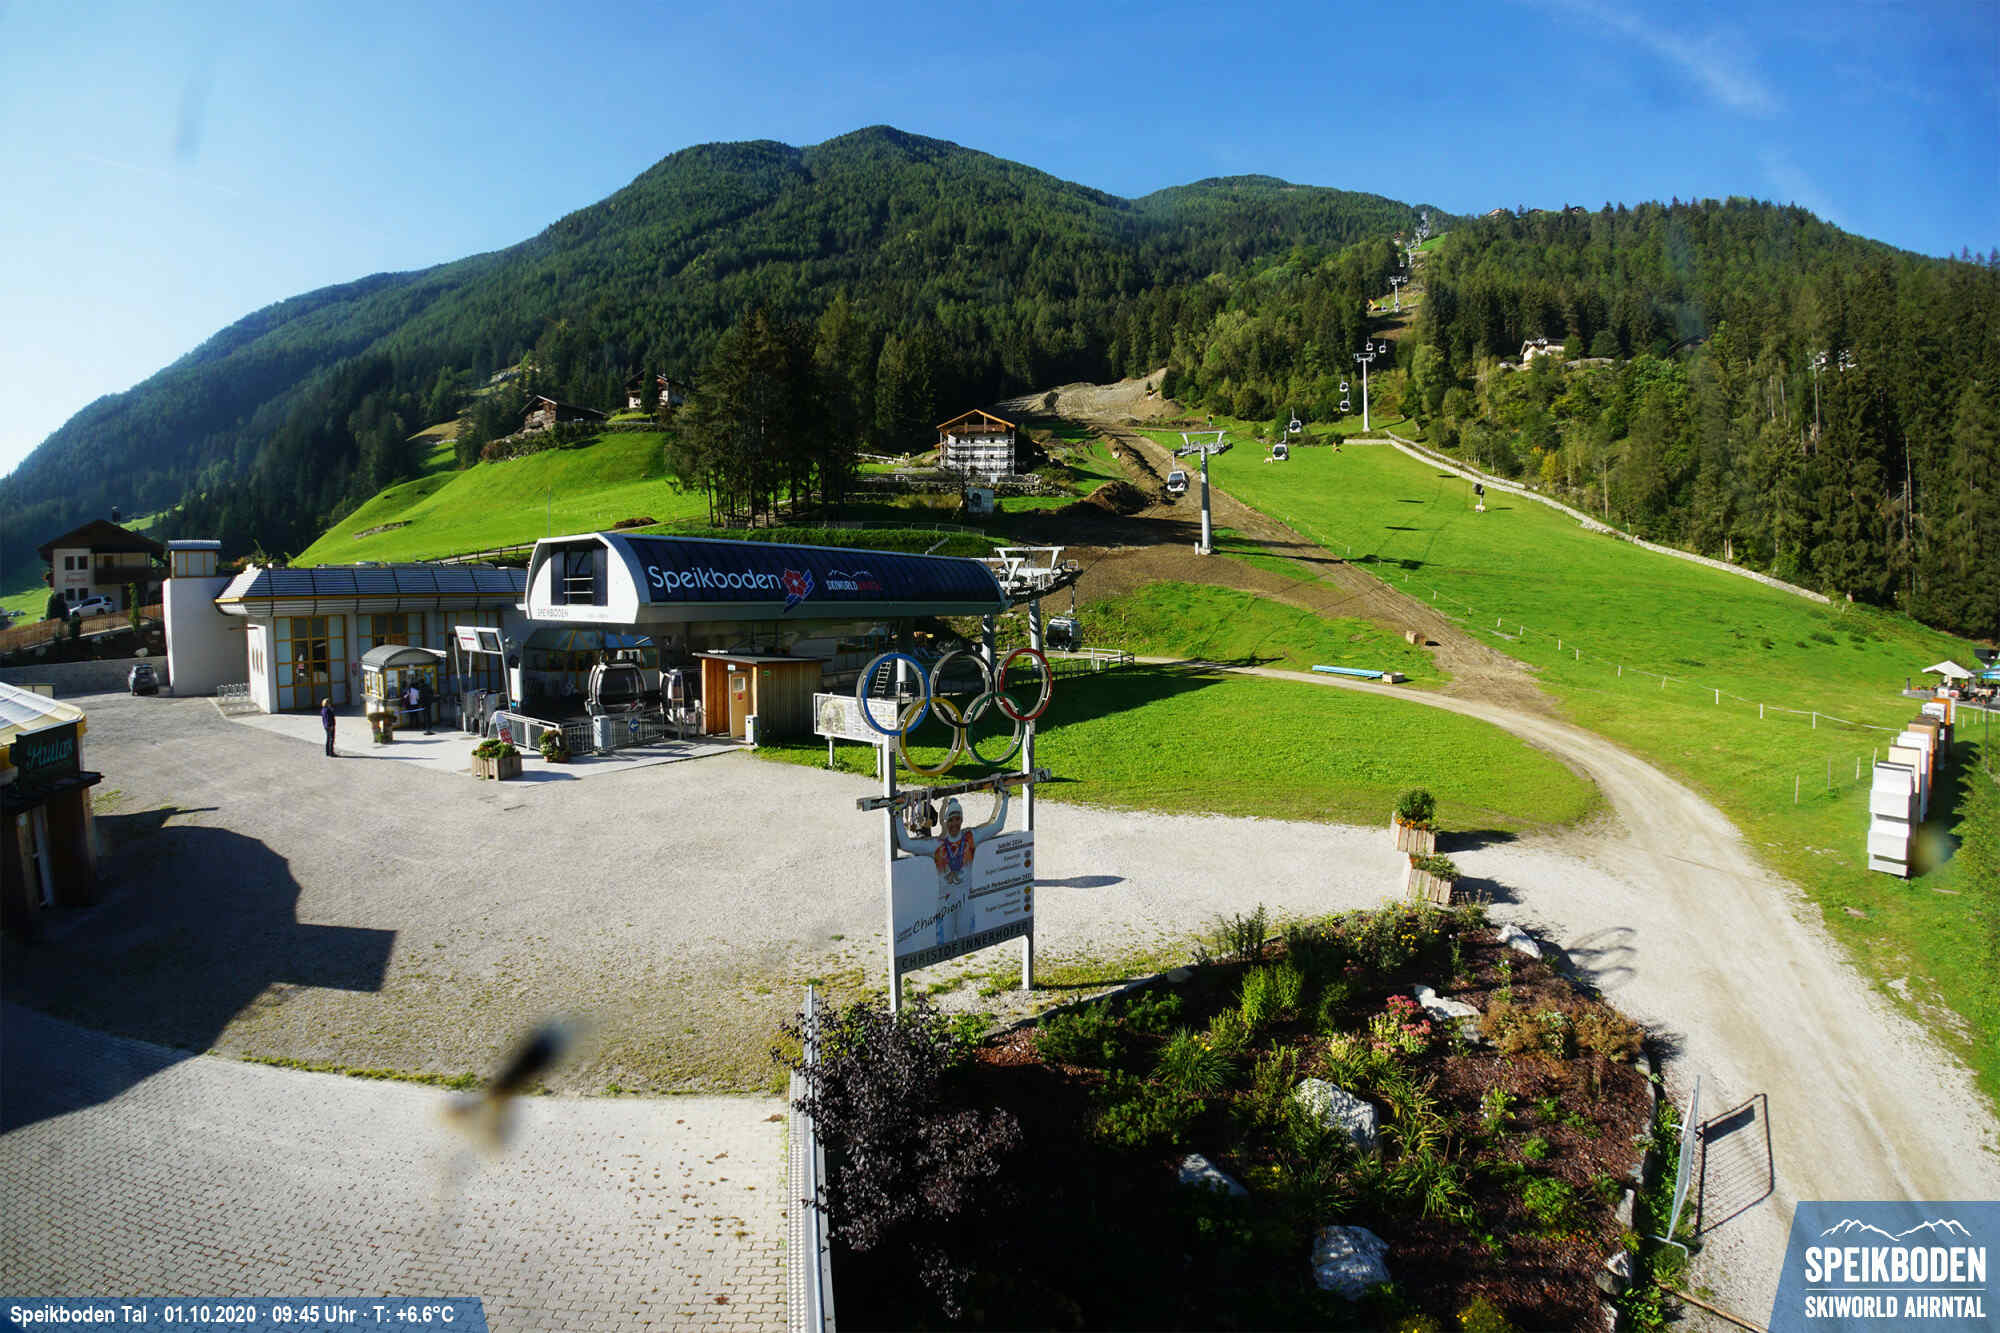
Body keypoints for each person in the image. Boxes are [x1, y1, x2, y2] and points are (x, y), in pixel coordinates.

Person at [894, 790, 1010, 949]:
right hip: (945, 903)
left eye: (957, 819)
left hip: (966, 900)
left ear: (962, 820)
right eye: (951, 820)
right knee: (944, 946)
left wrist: (1005, 798)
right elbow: (906, 844)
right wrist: (897, 813)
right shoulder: (937, 845)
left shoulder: (970, 837)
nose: (954, 823)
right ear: (946, 821)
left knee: (966, 943)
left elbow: (998, 826)